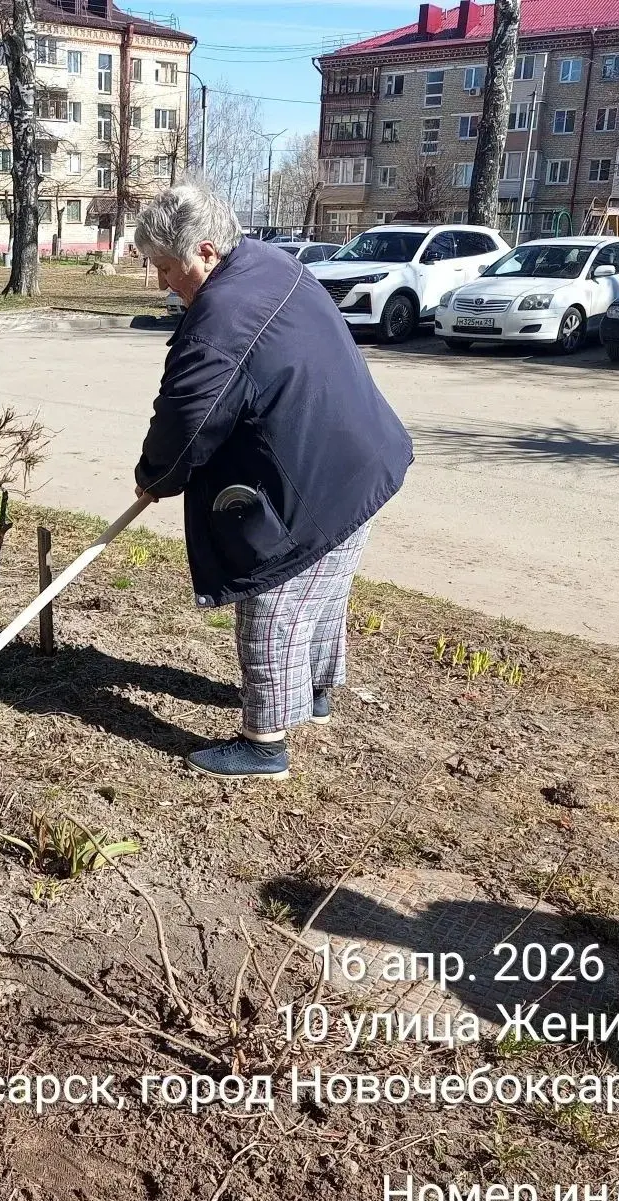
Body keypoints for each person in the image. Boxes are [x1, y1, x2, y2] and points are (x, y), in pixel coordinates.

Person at [131, 183, 413, 781]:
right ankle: (311, 695)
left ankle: (265, 745)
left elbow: (188, 419)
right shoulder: (270, 263)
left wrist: (156, 476)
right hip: (359, 457)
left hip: (318, 473)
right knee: (323, 588)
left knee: (274, 599)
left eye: (164, 267)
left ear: (205, 252)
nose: (160, 284)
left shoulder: (221, 320)